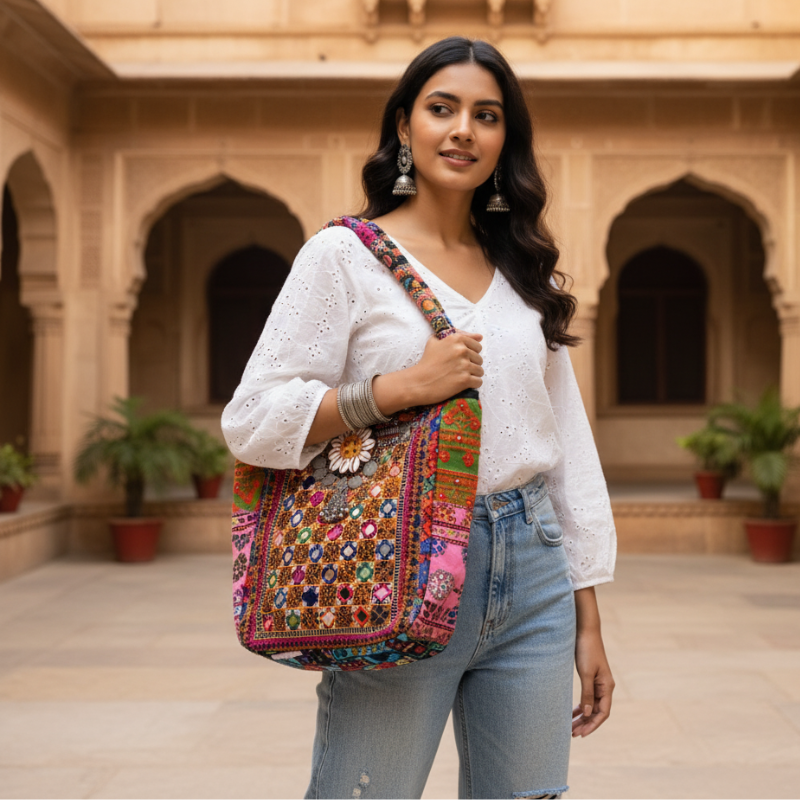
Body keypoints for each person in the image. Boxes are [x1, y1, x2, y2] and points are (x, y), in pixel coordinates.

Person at [222, 36, 616, 800]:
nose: (463, 129)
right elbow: (253, 420)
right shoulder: (343, 258)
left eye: (486, 115)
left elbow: (565, 442)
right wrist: (399, 388)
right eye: (442, 108)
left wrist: (587, 614)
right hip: (395, 562)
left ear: (506, 141)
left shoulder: (520, 269)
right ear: (405, 126)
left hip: (533, 569)